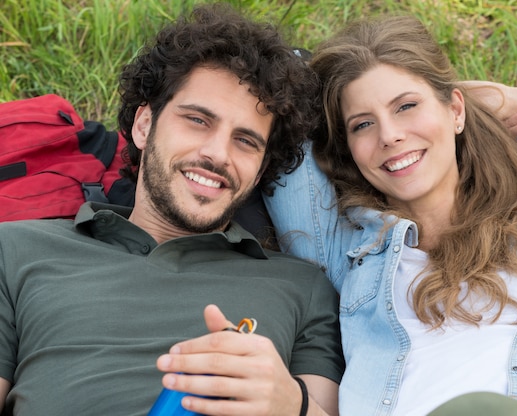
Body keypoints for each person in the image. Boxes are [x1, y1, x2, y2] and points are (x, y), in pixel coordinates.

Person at [264, 14, 517, 416]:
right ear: (348, 149)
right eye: (363, 124)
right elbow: (276, 84)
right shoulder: (343, 249)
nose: (389, 135)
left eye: (407, 106)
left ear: (455, 110)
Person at [0, 4, 343, 416]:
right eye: (198, 120)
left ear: (260, 172)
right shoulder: (15, 248)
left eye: (246, 141)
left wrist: (292, 406)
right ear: (144, 125)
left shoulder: (304, 287)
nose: (217, 154)